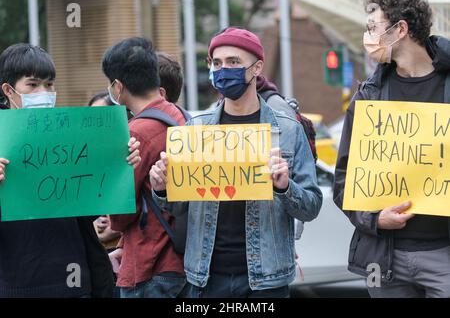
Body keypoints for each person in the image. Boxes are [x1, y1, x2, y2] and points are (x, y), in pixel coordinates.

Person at [150, 27, 322, 298]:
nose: (223, 70)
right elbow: (178, 206)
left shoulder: (288, 131)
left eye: (233, 62)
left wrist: (284, 187)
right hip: (205, 277)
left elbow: (311, 207)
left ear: (257, 68)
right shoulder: (195, 130)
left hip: (266, 281)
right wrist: (161, 187)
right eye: (216, 63)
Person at [0, 43, 141, 298]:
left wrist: (119, 164)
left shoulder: (70, 137)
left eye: (49, 84)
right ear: (9, 90)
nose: (44, 92)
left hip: (75, 282)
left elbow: (90, 207)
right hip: (16, 284)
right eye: (33, 85)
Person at [333, 0, 450, 298]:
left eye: (373, 28)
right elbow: (344, 182)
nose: (368, 37)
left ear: (400, 29)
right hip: (382, 259)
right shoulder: (367, 98)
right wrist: (374, 219)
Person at [102, 37, 186, 298]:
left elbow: (123, 211)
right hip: (181, 261)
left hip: (150, 266)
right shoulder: (179, 117)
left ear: (117, 87)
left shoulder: (134, 133)